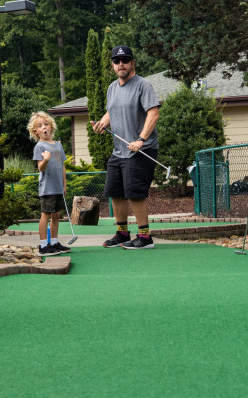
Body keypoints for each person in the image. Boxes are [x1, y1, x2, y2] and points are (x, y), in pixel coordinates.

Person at [91, 45, 160, 249]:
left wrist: (141, 139)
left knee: (135, 193)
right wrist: (102, 124)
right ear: (113, 65)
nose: (121, 64)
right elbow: (111, 112)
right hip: (119, 150)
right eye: (116, 61)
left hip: (141, 149)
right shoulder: (112, 88)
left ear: (132, 63)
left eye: (125, 60)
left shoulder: (142, 85)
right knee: (116, 191)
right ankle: (122, 233)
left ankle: (145, 237)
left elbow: (153, 113)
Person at [27, 111, 69, 256]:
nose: (44, 127)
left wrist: (64, 185)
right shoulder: (39, 146)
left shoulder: (58, 145)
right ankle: (43, 245)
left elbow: (62, 165)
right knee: (46, 214)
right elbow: (41, 167)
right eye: (39, 126)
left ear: (51, 127)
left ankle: (54, 242)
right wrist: (45, 159)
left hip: (58, 187)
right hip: (47, 188)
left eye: (46, 124)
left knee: (56, 215)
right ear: (35, 131)